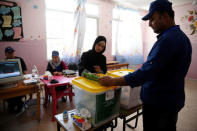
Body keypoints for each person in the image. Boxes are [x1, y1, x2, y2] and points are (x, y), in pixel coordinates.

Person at [99, 0, 192, 131]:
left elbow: (145, 73)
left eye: (152, 19)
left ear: (164, 16)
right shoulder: (181, 37)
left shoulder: (168, 40)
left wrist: (112, 81)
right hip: (171, 98)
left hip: (159, 104)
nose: (149, 24)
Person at [5, 46, 27, 114]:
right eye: (9, 53)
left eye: (12, 52)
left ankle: (17, 104)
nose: (11, 54)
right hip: (9, 81)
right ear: (6, 54)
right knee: (8, 92)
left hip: (19, 80)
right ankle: (17, 103)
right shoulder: (4, 62)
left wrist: (19, 77)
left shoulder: (20, 59)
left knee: (18, 91)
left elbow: (25, 71)